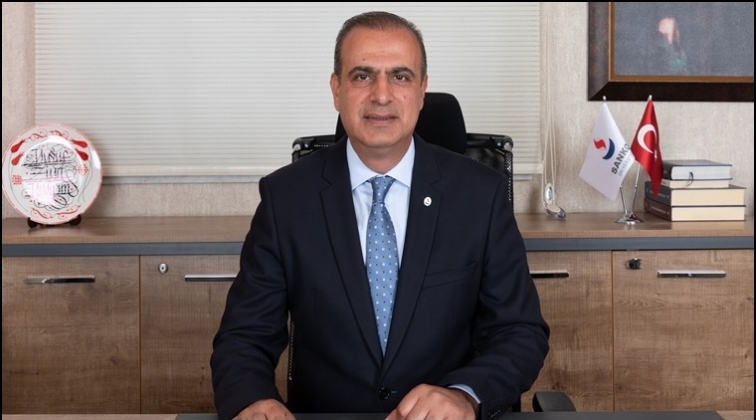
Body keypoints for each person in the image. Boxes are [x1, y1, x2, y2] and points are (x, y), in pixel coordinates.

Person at [211, 11, 549, 420]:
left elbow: (519, 332)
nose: (382, 95)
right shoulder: (286, 198)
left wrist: (464, 396)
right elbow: (244, 336)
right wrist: (252, 401)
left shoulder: (479, 195)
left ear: (422, 91)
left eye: (401, 76)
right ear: (336, 90)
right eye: (362, 76)